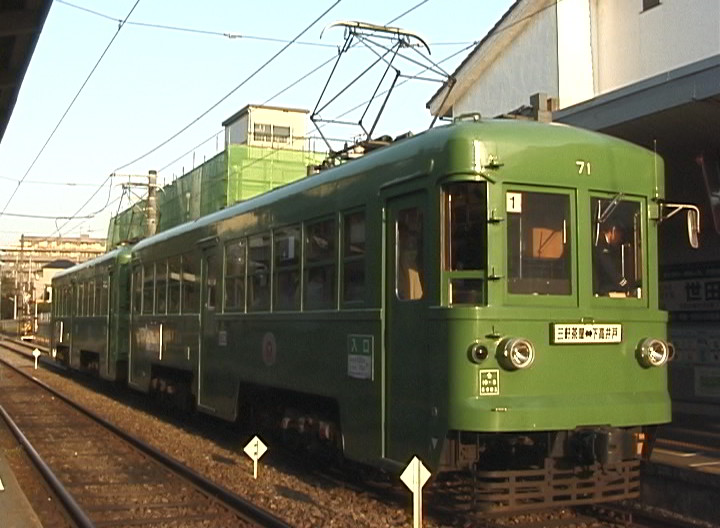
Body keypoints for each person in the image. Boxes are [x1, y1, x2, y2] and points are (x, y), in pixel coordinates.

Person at [593, 222, 628, 296]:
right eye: (619, 234)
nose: (620, 239)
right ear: (613, 231)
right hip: (603, 289)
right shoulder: (602, 246)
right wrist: (624, 284)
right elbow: (610, 269)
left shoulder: (607, 247)